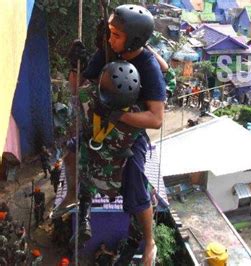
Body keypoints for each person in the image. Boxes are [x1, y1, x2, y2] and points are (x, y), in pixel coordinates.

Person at [62, 4, 166, 265]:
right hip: (101, 120)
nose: (109, 39)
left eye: (116, 35)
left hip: (131, 132)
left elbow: (155, 118)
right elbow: (76, 92)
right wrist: (74, 65)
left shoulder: (148, 67)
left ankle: (150, 240)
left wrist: (120, 117)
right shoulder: (107, 51)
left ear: (133, 40)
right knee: (72, 150)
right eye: (109, 33)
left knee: (134, 178)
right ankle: (73, 193)